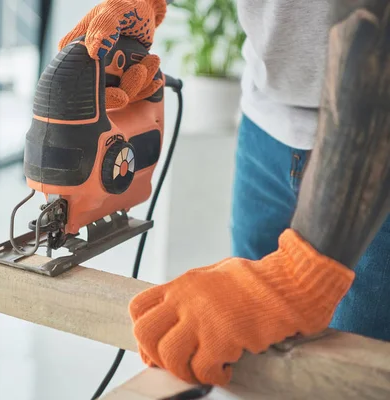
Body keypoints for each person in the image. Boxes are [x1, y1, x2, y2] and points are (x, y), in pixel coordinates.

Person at [59, 0, 390, 386]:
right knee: (256, 372)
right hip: (267, 120)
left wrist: (303, 275)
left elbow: (375, 43)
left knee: (351, 381)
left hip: (373, 142)